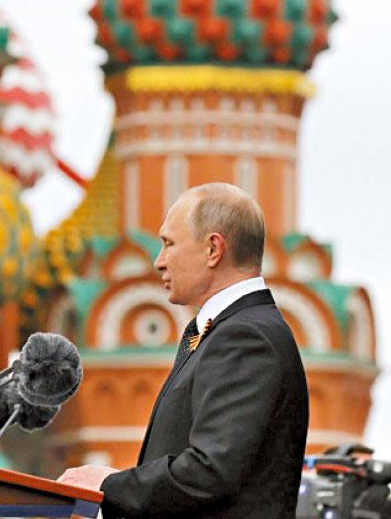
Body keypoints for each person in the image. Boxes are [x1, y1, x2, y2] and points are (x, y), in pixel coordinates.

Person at [58, 183, 309, 519]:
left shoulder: (245, 337)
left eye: (169, 244)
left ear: (213, 249)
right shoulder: (223, 330)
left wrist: (108, 485)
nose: (159, 262)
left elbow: (209, 471)